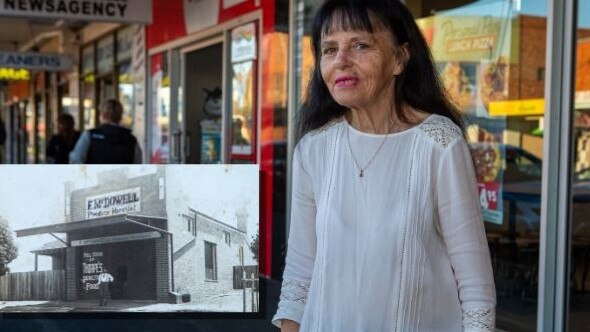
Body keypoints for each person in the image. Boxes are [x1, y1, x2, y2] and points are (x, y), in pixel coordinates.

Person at [272, 1, 496, 331]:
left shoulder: (438, 143)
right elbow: (300, 273)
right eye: (329, 49)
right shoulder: (313, 149)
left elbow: (475, 284)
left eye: (360, 45)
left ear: (400, 58)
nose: (341, 61)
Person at [70, 99, 142, 164]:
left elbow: (76, 160)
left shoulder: (90, 135)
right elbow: (137, 165)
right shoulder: (132, 140)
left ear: (102, 115)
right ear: (120, 116)